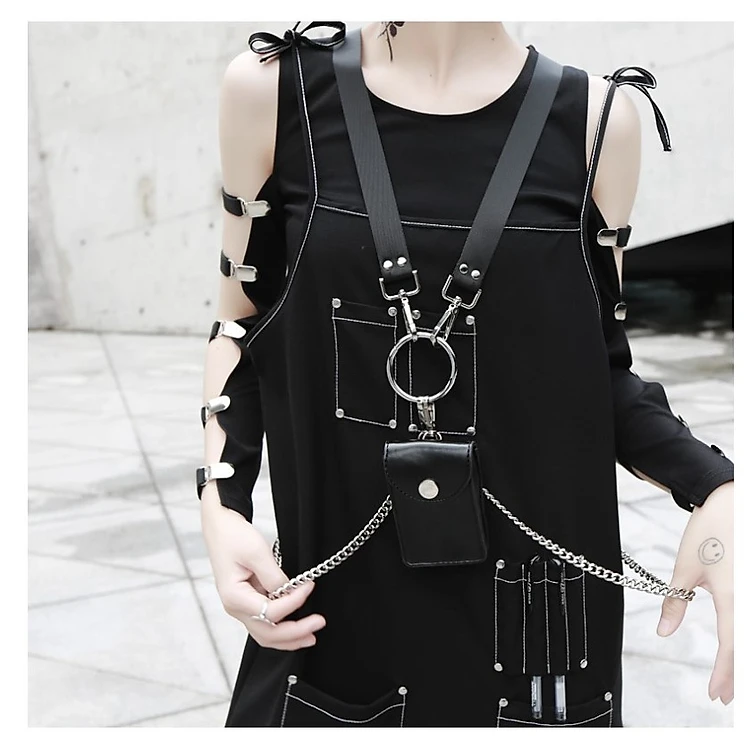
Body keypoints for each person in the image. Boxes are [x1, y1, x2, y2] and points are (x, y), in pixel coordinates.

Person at [198, 21, 734, 728]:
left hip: (535, 630)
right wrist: (221, 506)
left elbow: (598, 369)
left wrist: (715, 487)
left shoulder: (597, 123)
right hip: (339, 615)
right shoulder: (275, 91)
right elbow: (242, 324)